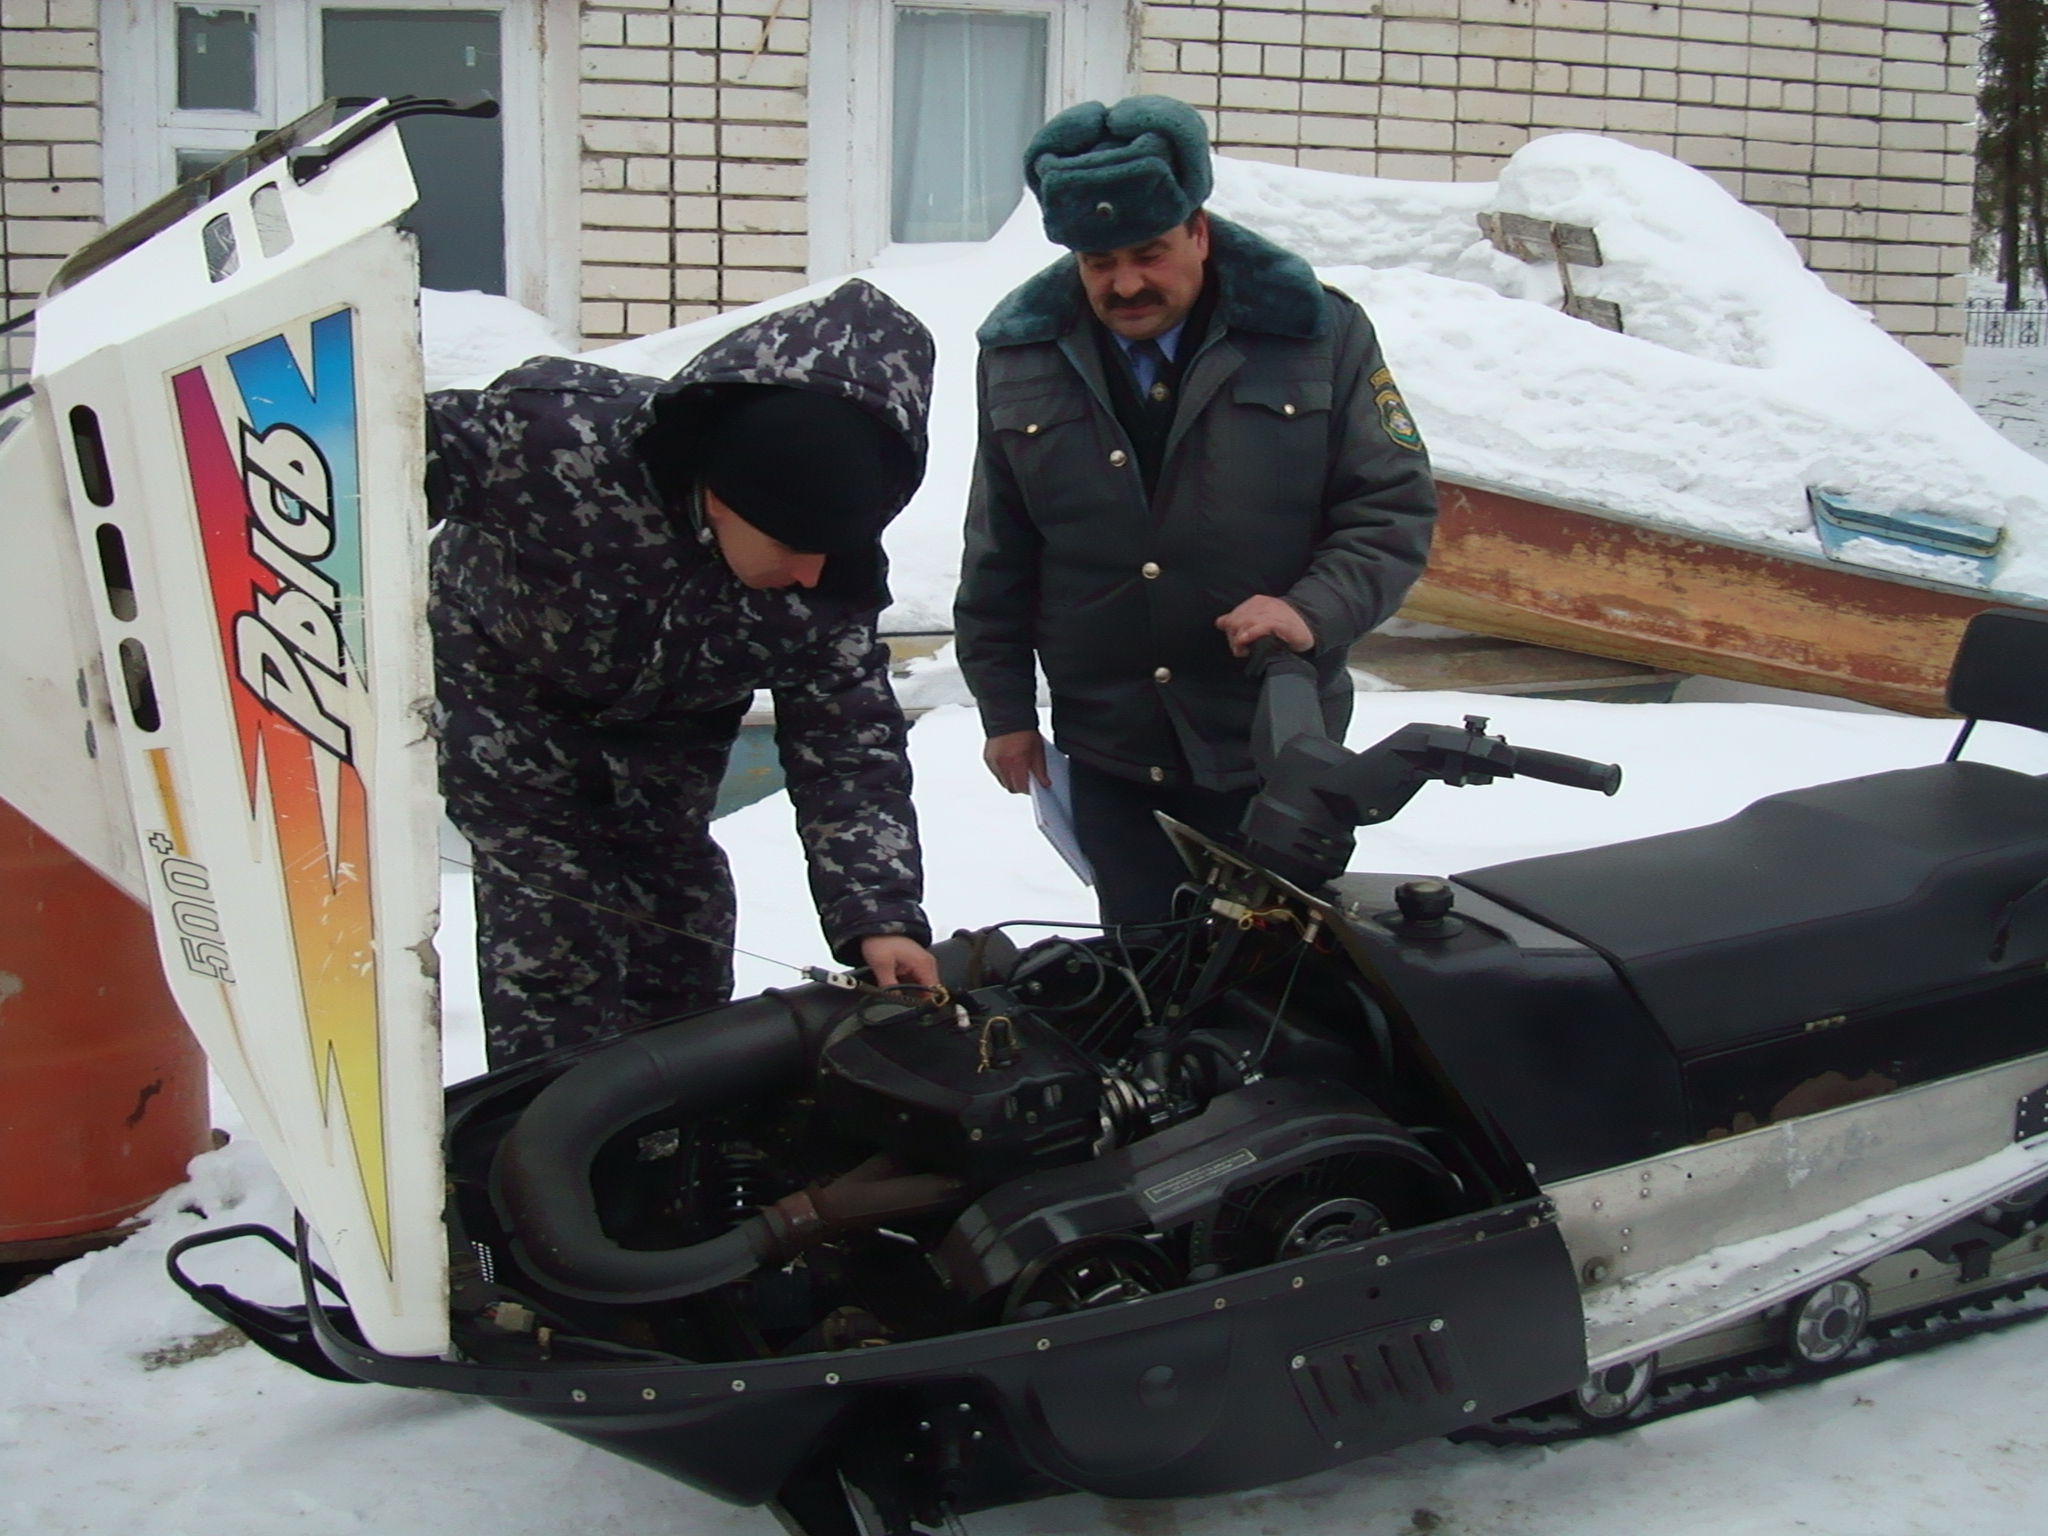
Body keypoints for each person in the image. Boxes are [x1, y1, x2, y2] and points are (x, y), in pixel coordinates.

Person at [427, 279, 940, 1067]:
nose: (812, 574)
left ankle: (677, 1158)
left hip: (668, 752)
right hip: (512, 715)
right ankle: (540, 1150)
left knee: (683, 943)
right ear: (726, 494)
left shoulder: (824, 585)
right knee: (554, 945)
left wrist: (882, 914)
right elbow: (355, 448)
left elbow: (849, 746)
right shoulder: (548, 439)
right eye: (797, 544)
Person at [954, 95, 1440, 927]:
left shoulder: (1316, 335)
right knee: (1144, 986)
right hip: (1112, 752)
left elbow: (1391, 510)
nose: (1126, 283)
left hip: (1274, 750)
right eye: (1100, 262)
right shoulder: (1020, 359)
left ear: (1199, 232)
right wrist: (1004, 712)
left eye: (1150, 253)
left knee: (1278, 992)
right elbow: (1001, 550)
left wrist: (1307, 609)